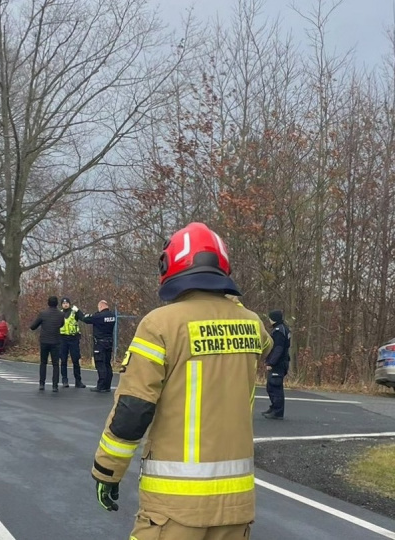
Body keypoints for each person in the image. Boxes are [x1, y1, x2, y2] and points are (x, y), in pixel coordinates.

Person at [91, 222, 272, 539]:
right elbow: (268, 346)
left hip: (174, 508)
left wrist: (107, 471)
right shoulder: (251, 323)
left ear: (169, 265)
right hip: (237, 507)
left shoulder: (160, 324)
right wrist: (231, 304)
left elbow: (133, 409)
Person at [30, 296, 66, 392]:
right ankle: (55, 386)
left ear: (48, 303)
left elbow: (33, 326)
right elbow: (61, 324)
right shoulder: (61, 314)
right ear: (57, 303)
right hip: (56, 341)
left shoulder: (43, 314)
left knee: (43, 363)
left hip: (45, 341)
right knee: (55, 364)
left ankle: (42, 384)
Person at [82, 300, 117, 393]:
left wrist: (79, 313)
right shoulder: (112, 315)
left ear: (101, 306)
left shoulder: (99, 316)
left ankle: (101, 386)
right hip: (109, 342)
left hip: (100, 343)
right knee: (107, 364)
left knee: (100, 364)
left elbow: (86, 319)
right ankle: (107, 385)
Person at [262, 310, 291, 420]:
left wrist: (271, 362)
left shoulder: (279, 331)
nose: (269, 320)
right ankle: (274, 407)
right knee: (270, 387)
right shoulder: (282, 329)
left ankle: (277, 412)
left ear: (273, 318)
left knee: (275, 387)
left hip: (278, 364)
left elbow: (278, 348)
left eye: (270, 318)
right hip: (280, 362)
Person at [59, 297, 86, 389]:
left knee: (75, 360)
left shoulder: (74, 312)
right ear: (61, 305)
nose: (65, 304)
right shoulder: (60, 313)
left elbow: (83, 318)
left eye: (67, 303)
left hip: (73, 338)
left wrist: (78, 311)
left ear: (69, 304)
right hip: (62, 339)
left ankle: (78, 381)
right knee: (63, 360)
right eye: (63, 303)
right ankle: (64, 380)